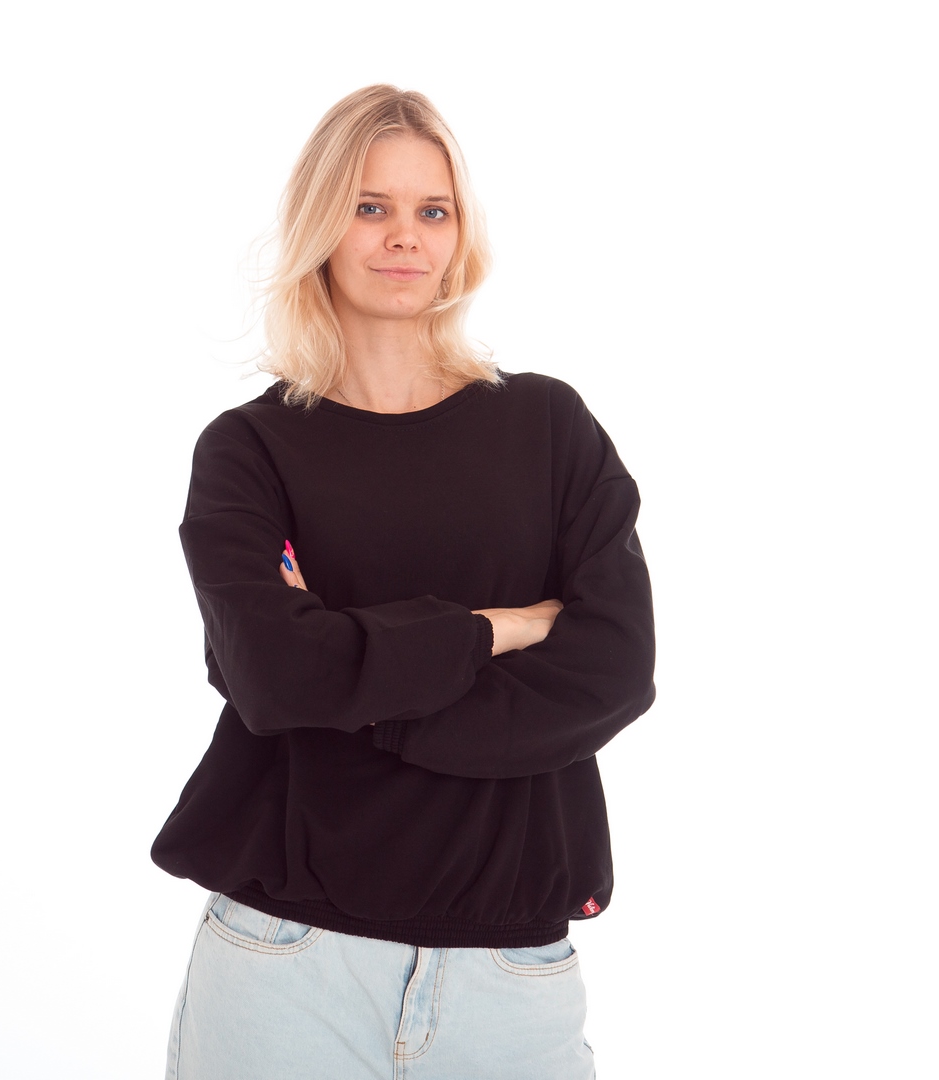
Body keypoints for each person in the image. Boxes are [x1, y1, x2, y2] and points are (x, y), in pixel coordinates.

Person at [152, 84, 656, 1080]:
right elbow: (273, 673)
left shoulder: (549, 429)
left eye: (433, 210)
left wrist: (351, 688)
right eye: (369, 206)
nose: (403, 237)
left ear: (461, 233)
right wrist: (496, 630)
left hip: (511, 979)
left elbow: (613, 671)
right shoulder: (251, 451)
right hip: (287, 964)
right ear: (320, 224)